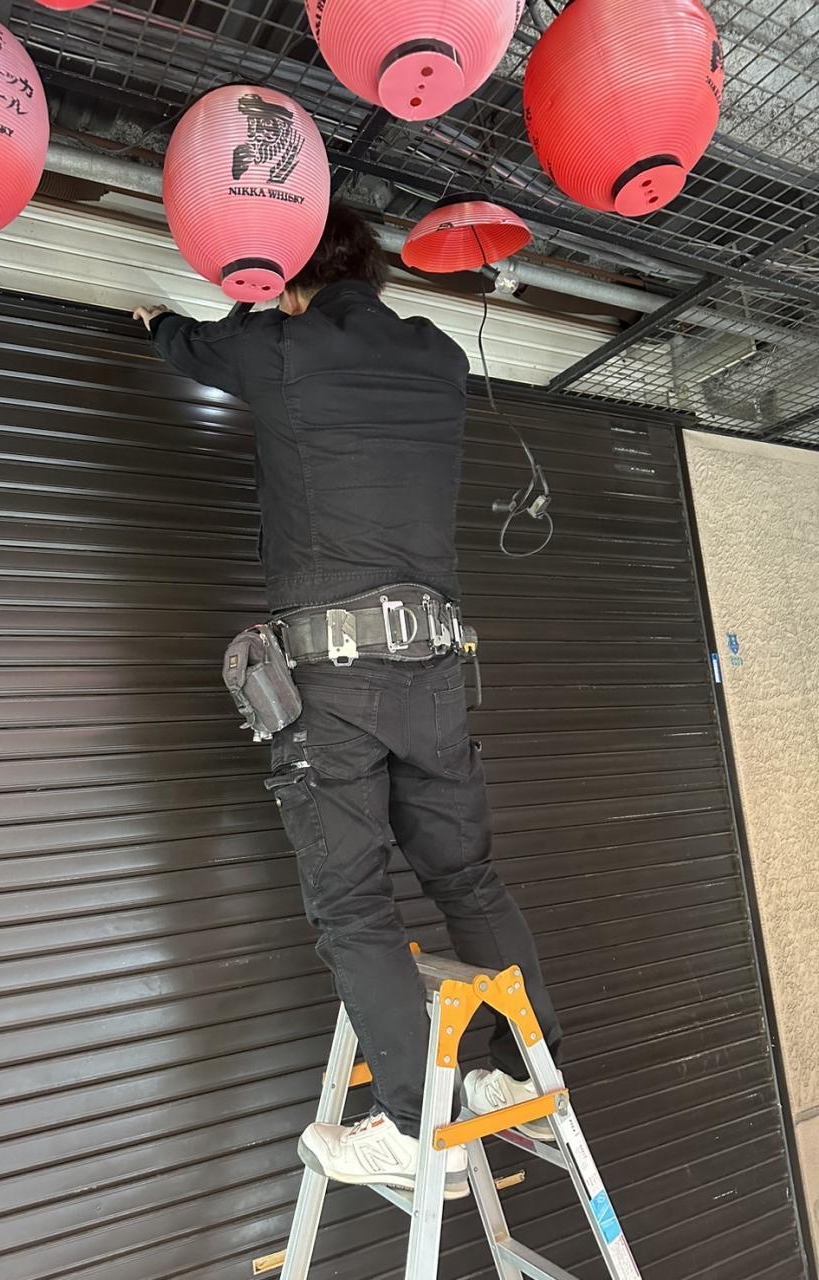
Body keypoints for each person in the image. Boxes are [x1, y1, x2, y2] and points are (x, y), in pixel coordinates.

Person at [134, 202, 562, 1200]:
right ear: (373, 274)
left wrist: (165, 321)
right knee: (468, 875)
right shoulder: (440, 357)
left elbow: (194, 344)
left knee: (355, 903)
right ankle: (524, 1078)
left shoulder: (281, 350)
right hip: (436, 672)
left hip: (335, 683)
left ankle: (420, 1134)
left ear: (288, 278)